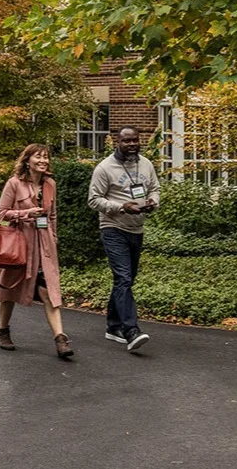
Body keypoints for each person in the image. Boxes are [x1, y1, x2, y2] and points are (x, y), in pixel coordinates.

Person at [0, 144, 74, 359]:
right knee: (9, 291)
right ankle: (3, 329)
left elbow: (53, 216)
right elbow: (1, 213)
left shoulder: (50, 185)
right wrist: (25, 213)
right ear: (27, 161)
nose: (43, 161)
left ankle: (60, 339)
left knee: (49, 291)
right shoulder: (14, 184)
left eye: (46, 157)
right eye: (38, 157)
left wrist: (53, 238)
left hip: (45, 245)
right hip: (20, 244)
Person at [88, 126, 160, 353]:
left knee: (126, 280)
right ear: (116, 142)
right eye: (126, 141)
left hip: (136, 229)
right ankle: (131, 331)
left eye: (135, 140)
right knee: (124, 278)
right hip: (113, 227)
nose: (131, 144)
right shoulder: (105, 168)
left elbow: (155, 188)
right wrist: (121, 207)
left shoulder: (146, 164)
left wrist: (152, 202)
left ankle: (113, 326)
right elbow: (94, 200)